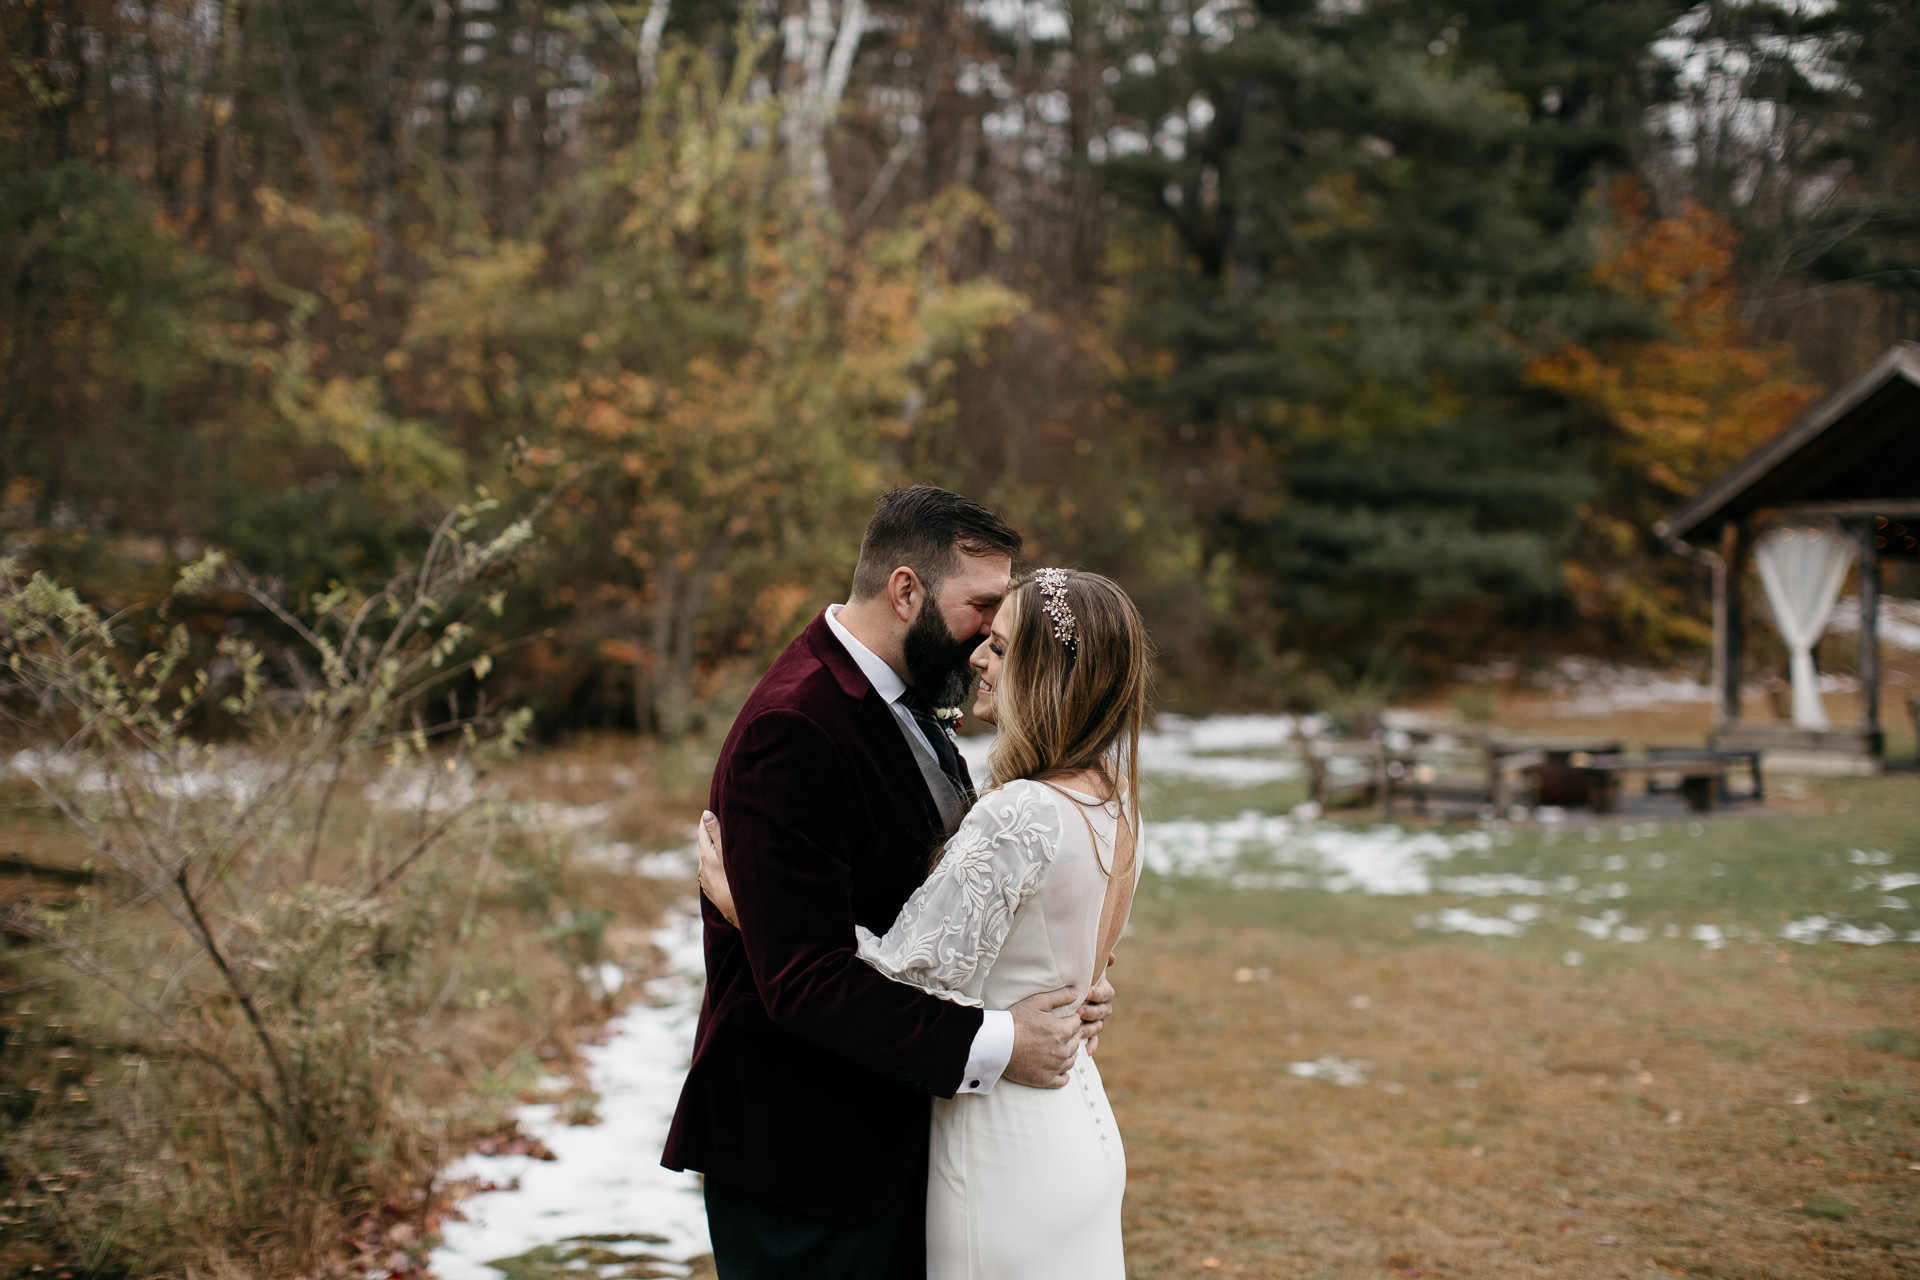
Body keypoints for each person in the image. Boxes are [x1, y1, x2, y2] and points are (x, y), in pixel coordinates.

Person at [662, 486, 1116, 1279]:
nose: (988, 638)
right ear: (905, 591)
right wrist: (1008, 1041)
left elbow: (956, 900)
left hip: (894, 1136)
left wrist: (1060, 979)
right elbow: (803, 983)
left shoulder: (908, 695)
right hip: (808, 1161)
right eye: (980, 606)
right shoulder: (794, 727)